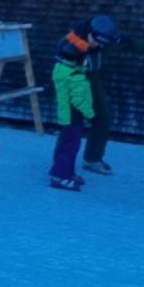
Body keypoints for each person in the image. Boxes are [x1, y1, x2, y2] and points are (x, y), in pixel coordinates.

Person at [64, 15, 144, 176]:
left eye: (102, 43)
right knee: (72, 125)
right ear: (89, 32)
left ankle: (92, 159)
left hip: (93, 82)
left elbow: (128, 43)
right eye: (95, 40)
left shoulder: (108, 41)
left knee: (102, 117)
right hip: (73, 83)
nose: (97, 45)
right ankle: (60, 169)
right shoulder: (71, 43)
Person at [49, 38, 93, 191]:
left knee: (69, 145)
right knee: (71, 147)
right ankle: (59, 176)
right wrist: (92, 115)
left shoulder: (61, 69)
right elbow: (79, 101)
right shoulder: (76, 77)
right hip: (74, 116)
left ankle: (68, 173)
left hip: (65, 114)